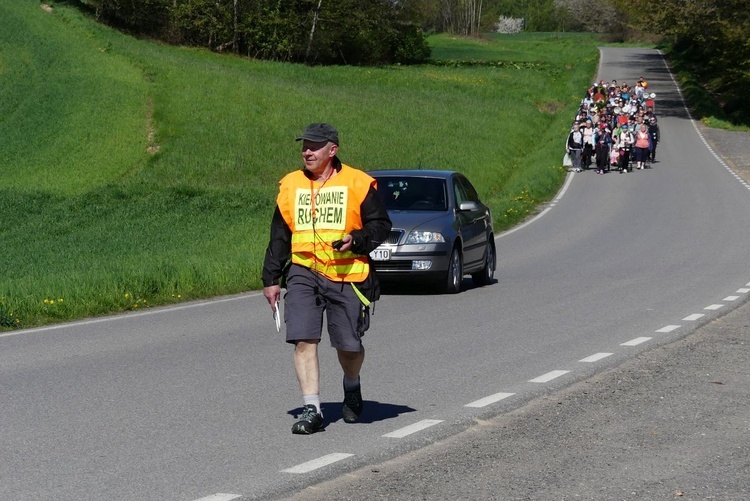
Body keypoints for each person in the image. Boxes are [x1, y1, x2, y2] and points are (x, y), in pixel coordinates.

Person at [262, 123, 392, 435]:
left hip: (346, 274)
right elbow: (280, 235)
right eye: (304, 145)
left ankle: (351, 383)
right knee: (304, 339)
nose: (307, 151)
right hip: (304, 272)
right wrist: (271, 278)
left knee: (348, 346)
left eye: (314, 146)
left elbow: (381, 225)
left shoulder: (357, 182)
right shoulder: (291, 185)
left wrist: (357, 240)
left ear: (332, 150)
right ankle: (312, 408)